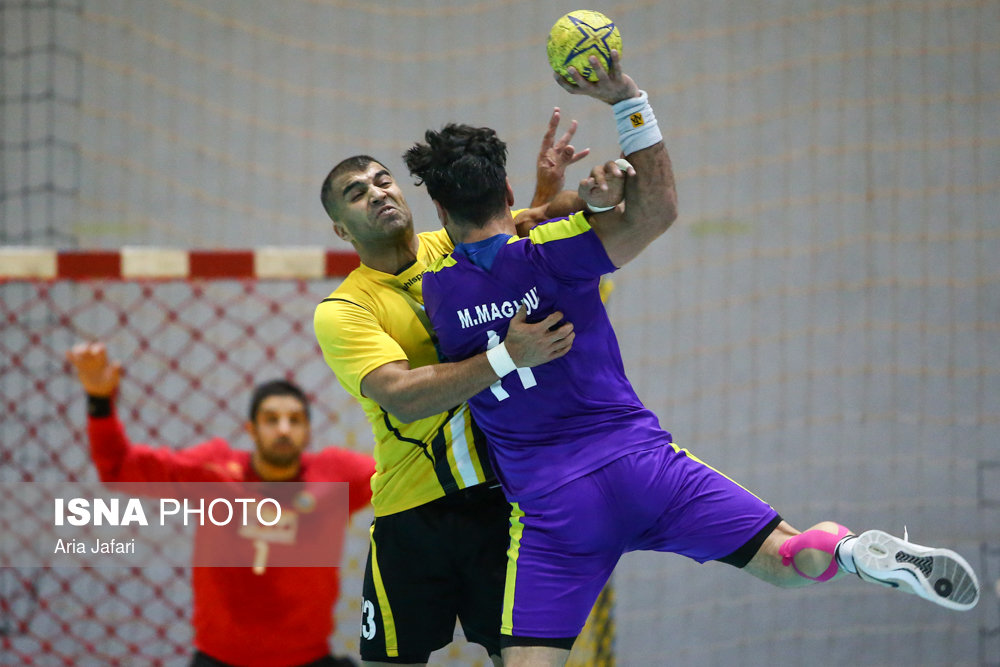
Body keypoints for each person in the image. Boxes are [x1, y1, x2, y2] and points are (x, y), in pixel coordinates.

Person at [409, 51, 982, 667]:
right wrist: (625, 101)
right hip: (643, 468)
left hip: (555, 510)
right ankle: (850, 552)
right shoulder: (553, 252)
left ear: (439, 211)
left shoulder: (437, 292)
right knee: (788, 562)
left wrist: (552, 203)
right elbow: (655, 211)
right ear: (506, 189)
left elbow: (496, 257)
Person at [313, 110, 586, 666]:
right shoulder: (343, 309)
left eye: (383, 180)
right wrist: (508, 356)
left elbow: (522, 245)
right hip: (412, 512)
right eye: (356, 193)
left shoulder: (458, 240)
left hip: (502, 502)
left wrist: (545, 190)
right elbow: (402, 394)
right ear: (341, 230)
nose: (377, 192)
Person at [66, 341, 376, 667]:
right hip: (219, 659)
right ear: (251, 429)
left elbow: (401, 474)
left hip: (307, 659)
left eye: (295, 420)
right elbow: (118, 469)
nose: (283, 429)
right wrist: (99, 400)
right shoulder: (212, 471)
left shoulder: (336, 476)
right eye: (271, 419)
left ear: (308, 431)